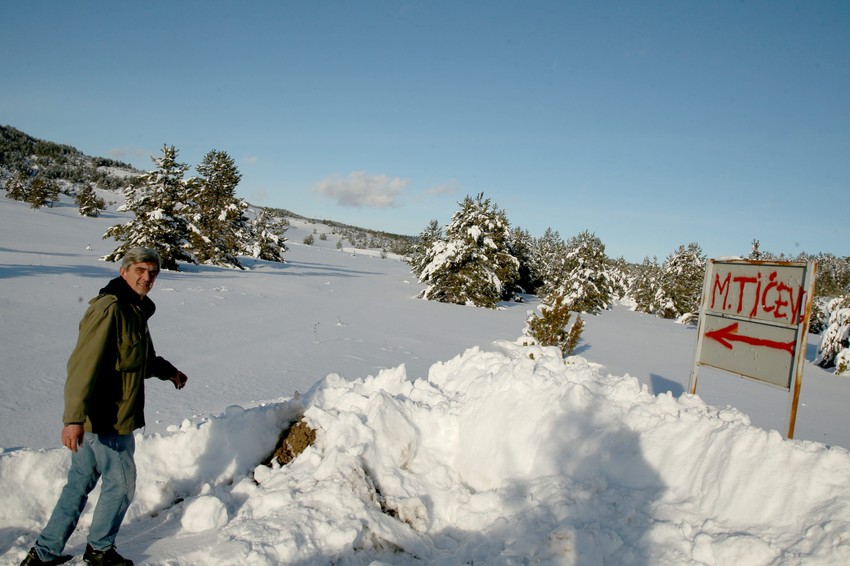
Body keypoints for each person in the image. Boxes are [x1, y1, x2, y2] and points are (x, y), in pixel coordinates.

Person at [22, 247, 188, 566]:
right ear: (123, 271)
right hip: (106, 417)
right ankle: (99, 551)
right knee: (122, 485)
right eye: (140, 270)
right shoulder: (110, 308)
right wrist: (73, 419)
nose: (147, 277)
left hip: (106, 418)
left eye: (152, 272)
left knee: (78, 486)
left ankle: (43, 554)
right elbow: (83, 364)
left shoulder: (133, 309)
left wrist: (169, 371)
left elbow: (139, 358)